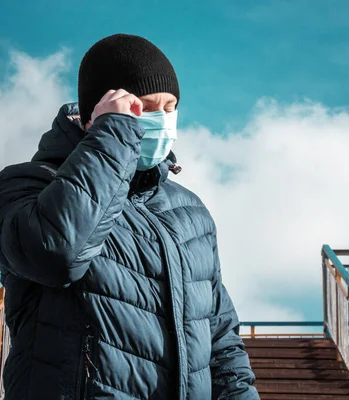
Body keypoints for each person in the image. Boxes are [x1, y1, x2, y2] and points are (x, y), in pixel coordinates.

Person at [0, 34, 259, 399]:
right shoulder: (28, 184)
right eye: (147, 108)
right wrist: (113, 136)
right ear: (99, 113)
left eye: (171, 107)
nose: (164, 120)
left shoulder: (191, 212)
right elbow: (56, 253)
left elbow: (221, 341)